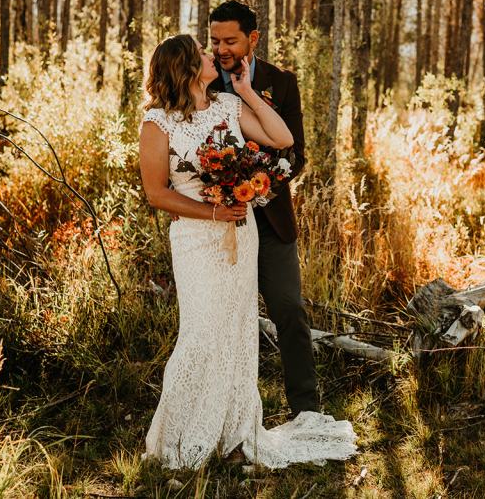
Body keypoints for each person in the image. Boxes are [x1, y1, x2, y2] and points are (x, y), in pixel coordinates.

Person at [138, 33, 355, 469]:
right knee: (201, 333)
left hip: (241, 233)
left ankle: (234, 430)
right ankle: (181, 435)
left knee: (237, 333)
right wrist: (211, 212)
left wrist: (246, 92)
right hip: (197, 240)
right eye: (201, 51)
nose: (210, 54)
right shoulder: (156, 124)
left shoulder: (226, 106)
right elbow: (156, 193)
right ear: (184, 66)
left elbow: (281, 138)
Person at [207, 0, 320, 416]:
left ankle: (305, 406)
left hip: (271, 219)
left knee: (288, 308)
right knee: (221, 317)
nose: (221, 49)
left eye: (230, 40)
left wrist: (257, 190)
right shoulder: (200, 82)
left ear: (252, 39)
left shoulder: (282, 82)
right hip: (217, 223)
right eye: (215, 40)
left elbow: (297, 154)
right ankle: (224, 409)